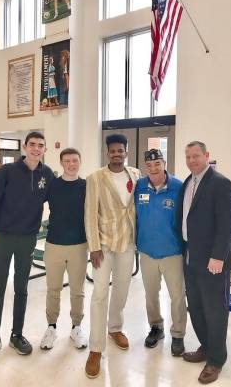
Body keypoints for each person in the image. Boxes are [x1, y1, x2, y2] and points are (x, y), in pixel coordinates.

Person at [0, 131, 54, 364]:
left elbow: (57, 200)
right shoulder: (6, 172)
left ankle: (16, 335)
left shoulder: (47, 174)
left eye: (41, 145)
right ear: (24, 147)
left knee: (21, 288)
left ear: (44, 150)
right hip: (4, 237)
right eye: (32, 145)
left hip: (28, 238)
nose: (36, 149)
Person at [177, 141, 231, 384]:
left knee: (215, 311)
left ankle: (216, 360)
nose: (192, 160)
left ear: (206, 155)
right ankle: (206, 346)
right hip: (191, 257)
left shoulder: (220, 184)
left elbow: (226, 225)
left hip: (213, 261)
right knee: (197, 307)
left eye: (196, 156)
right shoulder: (188, 182)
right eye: (188, 156)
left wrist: (218, 257)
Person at [84, 134, 140, 379]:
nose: (117, 154)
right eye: (113, 151)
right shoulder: (95, 178)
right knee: (99, 294)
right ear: (107, 153)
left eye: (121, 150)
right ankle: (96, 348)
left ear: (126, 152)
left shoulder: (136, 175)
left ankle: (115, 328)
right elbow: (89, 213)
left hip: (127, 242)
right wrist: (93, 246)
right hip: (104, 245)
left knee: (122, 288)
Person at [134, 149, 187, 356]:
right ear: (145, 167)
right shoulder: (139, 186)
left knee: (177, 296)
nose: (153, 169)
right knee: (150, 295)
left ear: (164, 163)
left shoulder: (178, 187)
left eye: (157, 164)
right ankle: (156, 327)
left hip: (172, 252)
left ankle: (178, 334)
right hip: (147, 252)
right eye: (149, 165)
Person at [40, 148, 88, 350]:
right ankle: (51, 327)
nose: (71, 164)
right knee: (53, 289)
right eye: (67, 161)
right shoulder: (52, 185)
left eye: (75, 160)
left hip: (79, 245)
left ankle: (76, 327)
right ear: (61, 163)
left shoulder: (87, 186)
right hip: (54, 245)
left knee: (78, 290)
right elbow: (30, 202)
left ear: (79, 162)